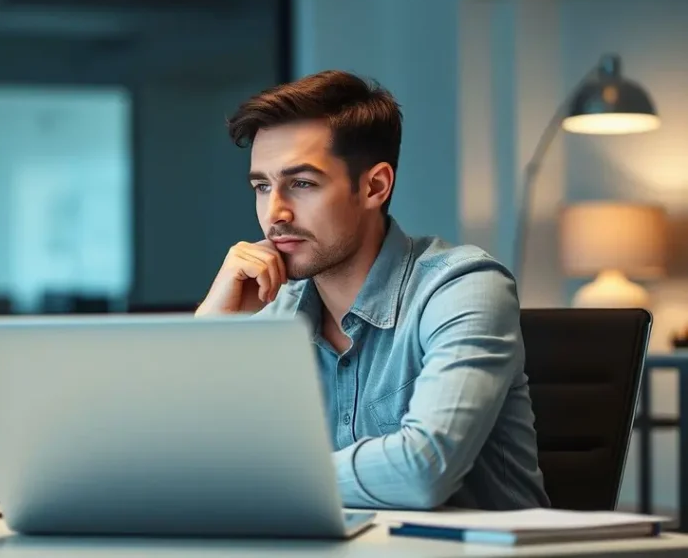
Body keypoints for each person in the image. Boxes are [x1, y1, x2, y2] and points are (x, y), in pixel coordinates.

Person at [195, 70, 550, 511]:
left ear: (374, 186)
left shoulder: (464, 287)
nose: (275, 212)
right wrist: (212, 327)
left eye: (301, 184)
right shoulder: (277, 309)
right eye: (262, 186)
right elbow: (180, 462)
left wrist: (255, 478)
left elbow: (422, 471)